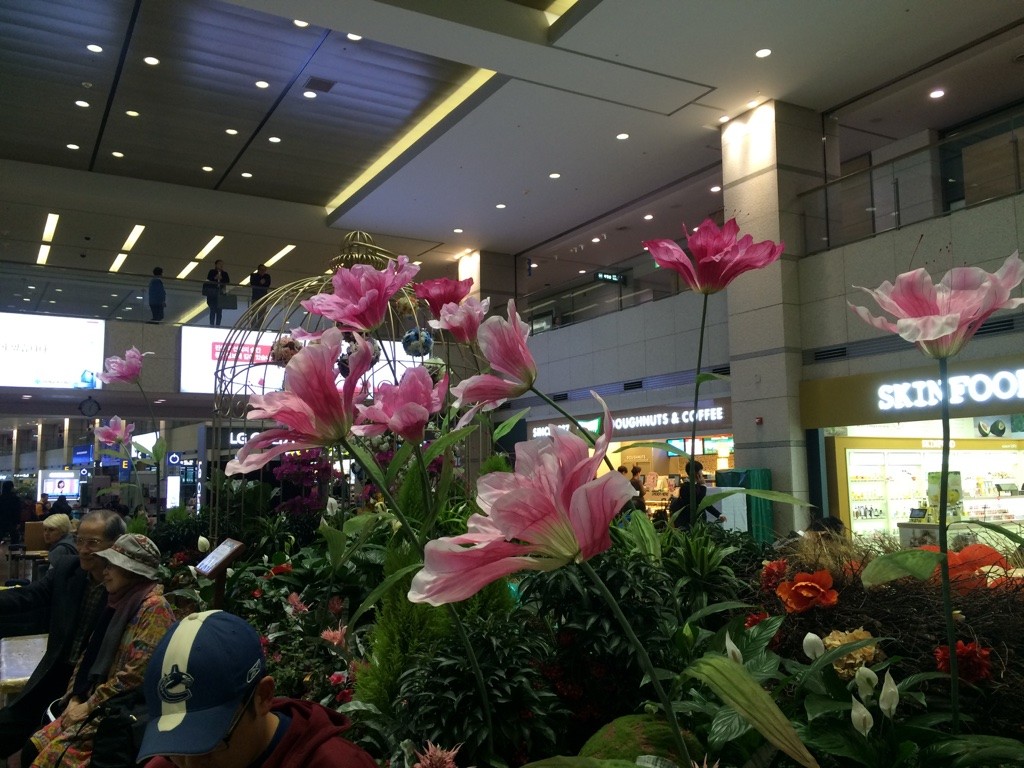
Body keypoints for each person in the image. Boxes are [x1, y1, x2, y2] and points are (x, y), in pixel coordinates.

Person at [138, 610, 377, 768]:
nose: (190, 764)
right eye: (175, 744)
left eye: (210, 742)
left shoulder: (336, 763)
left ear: (263, 696)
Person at [21, 534, 175, 768]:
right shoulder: (118, 602)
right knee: (31, 747)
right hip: (91, 704)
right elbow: (87, 655)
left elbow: (135, 675)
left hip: (113, 716)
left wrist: (88, 705)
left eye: (112, 565)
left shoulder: (154, 609)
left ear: (133, 572)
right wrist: (74, 697)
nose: (104, 571)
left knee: (45, 760)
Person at [0, 510, 126, 760]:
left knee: (40, 751)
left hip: (90, 688)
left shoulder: (125, 588)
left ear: (117, 545)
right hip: (54, 674)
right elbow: (31, 595)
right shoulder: (68, 570)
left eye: (93, 543)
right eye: (79, 540)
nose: (83, 549)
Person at [670, 460, 725, 530]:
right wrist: (703, 486)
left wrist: (718, 515)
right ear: (696, 473)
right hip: (689, 524)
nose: (701, 474)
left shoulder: (696, 485)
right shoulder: (686, 487)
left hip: (698, 522)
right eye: (700, 471)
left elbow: (704, 503)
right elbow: (699, 500)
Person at [205, 260, 231, 327]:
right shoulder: (212, 272)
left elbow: (227, 282)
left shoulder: (225, 274)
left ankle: (218, 325)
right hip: (212, 294)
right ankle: (211, 324)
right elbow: (208, 280)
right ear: (216, 265)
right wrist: (215, 278)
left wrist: (221, 279)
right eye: (219, 264)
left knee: (219, 312)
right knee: (212, 310)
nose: (221, 266)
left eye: (222, 264)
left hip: (221, 294)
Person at [249, 263, 272, 328]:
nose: (263, 271)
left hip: (264, 297)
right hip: (255, 297)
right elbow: (253, 283)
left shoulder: (267, 276)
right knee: (254, 313)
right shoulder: (254, 275)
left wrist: (259, 282)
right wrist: (260, 282)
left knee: (261, 314)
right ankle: (252, 327)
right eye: (261, 270)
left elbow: (267, 284)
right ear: (258, 270)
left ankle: (258, 327)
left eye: (264, 270)